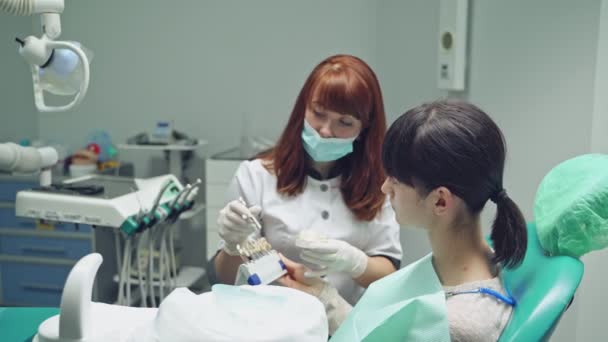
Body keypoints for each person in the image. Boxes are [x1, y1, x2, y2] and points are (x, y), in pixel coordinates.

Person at [279, 99, 528, 341]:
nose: (385, 188)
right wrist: (324, 297)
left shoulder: (457, 326)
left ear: (440, 201)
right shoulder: (462, 264)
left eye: (396, 181)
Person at [208, 54, 402, 305]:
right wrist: (234, 245)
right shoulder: (256, 176)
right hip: (265, 325)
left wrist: (352, 261)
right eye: (319, 113)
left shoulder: (380, 186)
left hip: (343, 327)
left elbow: (390, 274)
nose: (325, 130)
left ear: (364, 128)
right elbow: (223, 278)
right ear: (303, 109)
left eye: (344, 122)